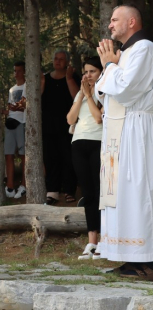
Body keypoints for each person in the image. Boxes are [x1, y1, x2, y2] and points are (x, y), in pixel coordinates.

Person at [95, 4, 153, 279]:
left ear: (132, 22)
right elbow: (102, 91)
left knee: (137, 191)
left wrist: (109, 66)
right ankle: (127, 256)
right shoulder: (125, 53)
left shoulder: (144, 48)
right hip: (119, 132)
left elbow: (127, 90)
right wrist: (111, 67)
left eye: (114, 19)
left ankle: (146, 259)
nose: (110, 25)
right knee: (119, 192)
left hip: (136, 130)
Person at [66, 57, 103, 260]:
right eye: (85, 72)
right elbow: (70, 119)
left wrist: (90, 95)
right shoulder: (81, 93)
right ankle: (91, 241)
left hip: (98, 142)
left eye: (92, 72)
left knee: (100, 193)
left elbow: (98, 118)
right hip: (78, 143)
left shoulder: (105, 92)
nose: (88, 75)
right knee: (87, 193)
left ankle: (104, 240)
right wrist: (81, 95)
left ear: (100, 73)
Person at [41, 50, 80, 205]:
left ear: (67, 62)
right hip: (48, 125)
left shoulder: (72, 77)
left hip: (67, 125)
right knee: (50, 157)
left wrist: (69, 78)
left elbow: (77, 97)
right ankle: (53, 191)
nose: (58, 62)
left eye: (61, 59)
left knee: (68, 157)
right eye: (56, 59)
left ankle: (69, 190)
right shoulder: (45, 79)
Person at [3, 61, 26, 199]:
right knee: (8, 154)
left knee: (23, 155)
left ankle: (23, 184)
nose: (16, 73)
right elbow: (10, 108)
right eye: (14, 71)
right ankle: (10, 185)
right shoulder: (11, 89)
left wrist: (18, 107)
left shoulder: (27, 85)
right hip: (10, 122)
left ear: (24, 71)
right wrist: (3, 111)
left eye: (19, 70)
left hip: (22, 122)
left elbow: (25, 105)